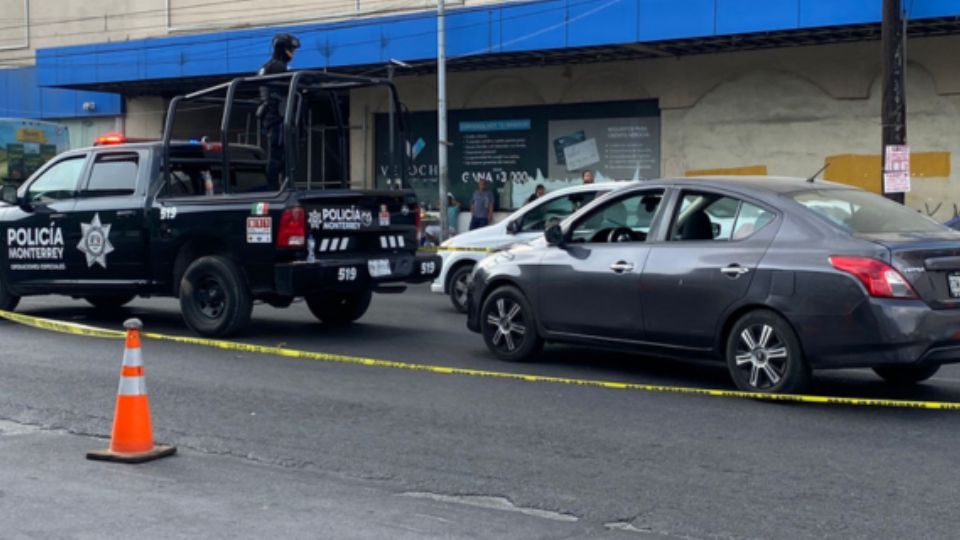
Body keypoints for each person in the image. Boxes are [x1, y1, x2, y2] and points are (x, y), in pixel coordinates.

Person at [257, 33, 300, 186]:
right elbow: (294, 81)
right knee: (281, 156)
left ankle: (274, 186)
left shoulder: (266, 66)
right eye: (291, 50)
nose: (293, 54)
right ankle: (275, 188)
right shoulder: (278, 67)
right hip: (277, 117)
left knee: (277, 155)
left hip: (269, 116)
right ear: (282, 49)